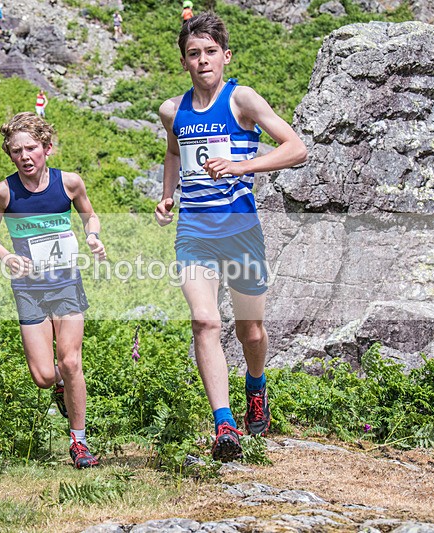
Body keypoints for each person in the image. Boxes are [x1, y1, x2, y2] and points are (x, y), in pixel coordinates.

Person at [154, 13, 307, 462]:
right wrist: (167, 197)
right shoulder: (172, 110)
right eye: (193, 54)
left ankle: (255, 387)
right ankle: (224, 424)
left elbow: (296, 148)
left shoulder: (241, 100)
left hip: (241, 229)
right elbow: (172, 152)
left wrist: (242, 166)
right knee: (205, 321)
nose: (202, 61)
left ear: (226, 56)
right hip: (195, 230)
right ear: (184, 61)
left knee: (250, 329)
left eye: (210, 52)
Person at [0, 112, 106, 469]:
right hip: (29, 289)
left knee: (70, 360)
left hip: (66, 283)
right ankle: (62, 387)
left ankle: (79, 442)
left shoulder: (69, 183)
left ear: (47, 148)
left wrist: (93, 237)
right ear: (10, 154)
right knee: (45, 376)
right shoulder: (2, 192)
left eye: (31, 148)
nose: (25, 156)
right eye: (17, 150)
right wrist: (6, 256)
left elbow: (89, 216)